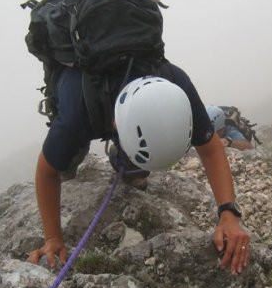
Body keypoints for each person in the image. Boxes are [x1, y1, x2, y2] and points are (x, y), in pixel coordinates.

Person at [26, 62, 251, 275]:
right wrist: (53, 238)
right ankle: (83, 154)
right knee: (65, 159)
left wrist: (229, 214)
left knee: (135, 171)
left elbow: (210, 149)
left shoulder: (175, 83)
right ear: (116, 125)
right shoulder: (76, 111)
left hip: (118, 96)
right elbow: (47, 172)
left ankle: (127, 161)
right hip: (83, 96)